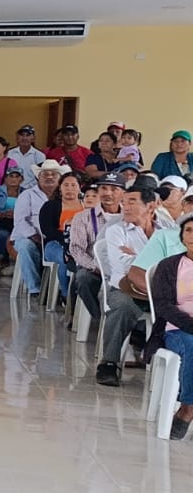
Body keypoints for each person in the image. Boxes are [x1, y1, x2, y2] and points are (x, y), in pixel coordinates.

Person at [97, 179, 163, 386]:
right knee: (122, 307)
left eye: (132, 202)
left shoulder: (166, 231)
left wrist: (137, 257)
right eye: (124, 202)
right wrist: (155, 262)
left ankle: (167, 364)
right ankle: (109, 363)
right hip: (126, 288)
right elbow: (122, 265)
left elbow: (175, 264)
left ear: (150, 206)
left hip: (160, 291)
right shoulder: (116, 230)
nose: (125, 207)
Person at [146, 216, 193, 439]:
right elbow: (162, 305)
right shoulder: (169, 266)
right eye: (189, 230)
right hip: (177, 328)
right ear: (181, 236)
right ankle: (188, 408)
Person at [69, 176, 121, 324]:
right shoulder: (82, 217)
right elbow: (76, 249)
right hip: (94, 267)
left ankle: (131, 323)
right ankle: (103, 320)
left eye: (114, 189)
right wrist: (95, 266)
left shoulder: (128, 216)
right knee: (83, 278)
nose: (108, 193)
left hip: (122, 267)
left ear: (123, 193)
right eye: (104, 188)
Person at [11, 159, 63, 296]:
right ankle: (35, 288)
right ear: (38, 178)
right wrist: (34, 236)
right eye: (45, 174)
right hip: (29, 237)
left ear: (60, 178)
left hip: (54, 238)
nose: (50, 177)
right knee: (25, 246)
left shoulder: (65, 197)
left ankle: (60, 289)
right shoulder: (27, 195)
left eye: (54, 174)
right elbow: (20, 220)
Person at [37, 170, 85, 302]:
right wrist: (67, 238)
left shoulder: (86, 205)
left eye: (73, 185)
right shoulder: (50, 206)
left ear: (80, 187)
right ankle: (66, 295)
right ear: (60, 188)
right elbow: (47, 230)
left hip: (81, 244)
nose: (69, 189)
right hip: (55, 244)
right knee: (65, 258)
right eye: (66, 185)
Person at [0, 168, 25, 278]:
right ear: (5, 178)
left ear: (22, 179)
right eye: (10, 176)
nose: (13, 179)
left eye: (17, 177)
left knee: (22, 237)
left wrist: (16, 214)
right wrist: (0, 214)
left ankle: (15, 266)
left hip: (18, 224)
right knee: (3, 234)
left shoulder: (25, 193)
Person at [9, 124, 44, 189]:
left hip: (32, 189)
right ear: (17, 138)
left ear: (33, 138)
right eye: (22, 135)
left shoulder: (39, 155)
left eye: (28, 135)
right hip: (11, 189)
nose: (24, 138)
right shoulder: (9, 153)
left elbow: (40, 176)